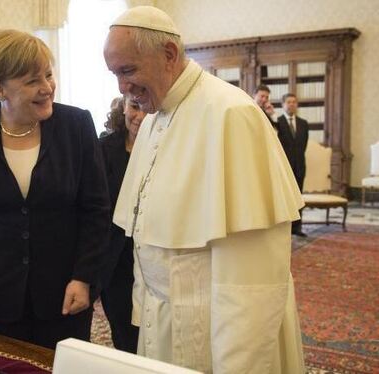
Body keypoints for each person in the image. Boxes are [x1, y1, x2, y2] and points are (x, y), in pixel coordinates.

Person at [103, 6, 305, 373]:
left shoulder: (231, 114)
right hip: (163, 324)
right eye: (115, 74)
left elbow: (252, 282)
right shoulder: (153, 120)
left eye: (128, 70)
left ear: (168, 55)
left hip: (214, 336)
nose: (122, 88)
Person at [0, 29, 110, 349]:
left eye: (48, 75)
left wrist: (84, 276)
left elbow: (96, 210)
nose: (47, 88)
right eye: (32, 81)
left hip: (64, 295)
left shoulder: (77, 125)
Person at [98, 96, 145, 353]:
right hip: (115, 261)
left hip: (153, 258)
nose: (139, 115)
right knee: (124, 334)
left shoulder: (167, 148)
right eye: (133, 107)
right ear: (123, 107)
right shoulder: (102, 148)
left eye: (144, 108)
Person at [277, 93, 310, 237]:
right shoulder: (277, 122)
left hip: (300, 166)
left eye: (294, 102)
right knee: (284, 198)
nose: (291, 104)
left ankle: (297, 228)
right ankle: (284, 228)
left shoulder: (304, 123)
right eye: (288, 102)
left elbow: (303, 146)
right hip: (284, 168)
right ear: (283, 105)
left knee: (298, 198)